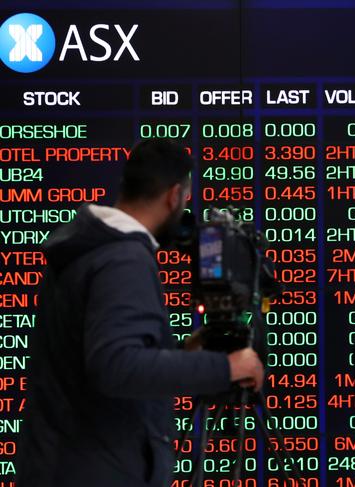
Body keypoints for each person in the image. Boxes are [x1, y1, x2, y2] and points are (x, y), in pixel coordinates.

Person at [16, 139, 264, 487]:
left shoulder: (86, 249)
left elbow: (89, 361)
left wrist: (180, 355)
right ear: (173, 195)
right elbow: (116, 366)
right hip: (100, 470)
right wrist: (226, 368)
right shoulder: (123, 259)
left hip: (63, 462)